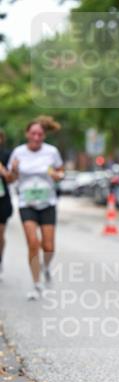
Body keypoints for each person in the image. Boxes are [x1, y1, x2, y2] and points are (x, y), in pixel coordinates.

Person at [6, 116, 64, 300]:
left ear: (44, 135)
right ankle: (36, 283)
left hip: (48, 203)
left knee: (48, 246)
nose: (37, 137)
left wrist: (57, 175)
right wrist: (14, 170)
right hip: (26, 203)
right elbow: (10, 179)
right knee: (33, 243)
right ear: (27, 134)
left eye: (40, 134)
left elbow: (61, 172)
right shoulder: (18, 153)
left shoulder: (51, 152)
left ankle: (46, 267)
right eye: (33, 133)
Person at [0, 129, 13, 280]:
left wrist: (3, 171)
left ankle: (0, 259)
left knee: (0, 233)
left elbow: (12, 178)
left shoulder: (7, 155)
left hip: (2, 200)